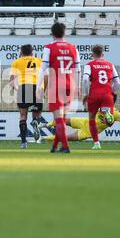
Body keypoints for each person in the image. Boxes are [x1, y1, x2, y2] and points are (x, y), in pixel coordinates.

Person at [36, 22, 81, 153]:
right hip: (70, 85)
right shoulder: (73, 47)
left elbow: (43, 68)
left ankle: (66, 146)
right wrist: (78, 87)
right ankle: (55, 146)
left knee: (58, 119)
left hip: (56, 85)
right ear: (64, 32)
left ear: (52, 34)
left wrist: (38, 86)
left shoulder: (49, 47)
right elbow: (78, 69)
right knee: (61, 118)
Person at [82, 45, 120, 149]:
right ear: (102, 54)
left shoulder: (89, 65)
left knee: (91, 119)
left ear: (93, 54)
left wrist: (86, 94)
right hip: (107, 95)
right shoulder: (110, 65)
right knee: (109, 122)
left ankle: (96, 143)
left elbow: (85, 80)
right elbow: (117, 82)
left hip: (94, 95)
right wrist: (111, 92)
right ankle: (107, 114)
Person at [9, 44, 45, 149]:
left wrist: (17, 89)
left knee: (23, 116)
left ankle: (24, 142)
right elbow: (45, 76)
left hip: (23, 87)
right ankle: (36, 122)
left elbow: (11, 81)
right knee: (37, 113)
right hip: (37, 88)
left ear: (21, 52)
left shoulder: (16, 62)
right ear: (32, 53)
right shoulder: (39, 61)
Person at [40, 108, 120, 142]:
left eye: (108, 124)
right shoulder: (102, 108)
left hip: (87, 132)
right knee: (64, 120)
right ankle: (45, 125)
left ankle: (42, 138)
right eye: (105, 121)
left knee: (66, 137)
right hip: (85, 122)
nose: (105, 123)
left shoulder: (116, 114)